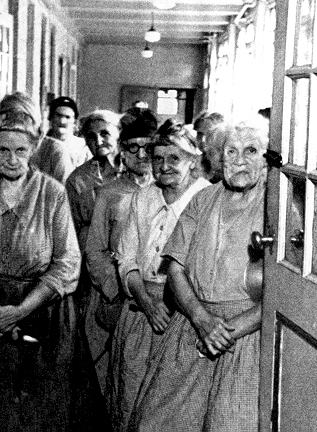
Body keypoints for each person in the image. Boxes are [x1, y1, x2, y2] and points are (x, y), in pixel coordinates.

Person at [0, 92, 107, 432]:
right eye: (3, 150)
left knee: (35, 416)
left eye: (21, 151)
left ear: (34, 148)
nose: (12, 160)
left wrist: (21, 310)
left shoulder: (52, 193)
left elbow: (67, 264)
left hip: (40, 317)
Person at [129, 115, 269, 432]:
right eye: (231, 152)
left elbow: (285, 291)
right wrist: (202, 320)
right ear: (218, 157)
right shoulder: (203, 199)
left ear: (264, 160)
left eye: (251, 151)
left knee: (228, 423)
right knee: (156, 421)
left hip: (245, 335)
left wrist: (226, 331)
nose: (240, 162)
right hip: (192, 324)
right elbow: (175, 269)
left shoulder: (275, 206)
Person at [109, 120, 210, 432]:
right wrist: (145, 302)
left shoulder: (206, 199)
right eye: (157, 158)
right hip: (140, 312)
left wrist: (166, 306)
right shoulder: (143, 197)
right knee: (128, 405)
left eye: (174, 158)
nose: (164, 166)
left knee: (167, 416)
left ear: (193, 161)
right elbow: (126, 259)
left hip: (180, 320)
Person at [85, 107, 157, 395]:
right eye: (133, 147)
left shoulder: (167, 191)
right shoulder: (110, 193)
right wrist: (114, 289)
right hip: (118, 299)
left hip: (157, 297)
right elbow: (95, 250)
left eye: (148, 147)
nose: (141, 155)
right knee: (115, 381)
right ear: (123, 152)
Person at [66, 109, 123, 314]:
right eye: (91, 136)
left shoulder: (132, 174)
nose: (98, 140)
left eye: (105, 133)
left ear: (118, 133)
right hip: (90, 264)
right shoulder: (78, 179)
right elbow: (70, 229)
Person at [31, 96, 92, 183]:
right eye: (58, 115)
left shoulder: (83, 147)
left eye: (67, 117)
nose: (62, 121)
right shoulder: (39, 145)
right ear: (50, 118)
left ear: (74, 121)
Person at [193, 111, 225, 182]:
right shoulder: (194, 163)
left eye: (209, 134)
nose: (203, 140)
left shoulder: (225, 165)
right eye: (200, 134)